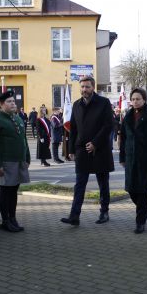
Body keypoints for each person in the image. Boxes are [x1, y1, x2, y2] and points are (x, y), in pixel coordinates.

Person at [61, 76, 113, 226]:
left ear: (93, 87)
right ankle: (74, 215)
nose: (84, 89)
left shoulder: (103, 103)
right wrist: (71, 150)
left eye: (87, 87)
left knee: (103, 183)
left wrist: (95, 143)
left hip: (100, 149)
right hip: (82, 150)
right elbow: (74, 129)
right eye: (82, 87)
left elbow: (108, 125)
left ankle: (104, 212)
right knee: (79, 184)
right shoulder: (76, 105)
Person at [0, 90, 30, 232]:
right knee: (5, 191)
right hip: (5, 162)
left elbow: (24, 140)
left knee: (14, 191)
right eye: (9, 102)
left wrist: (27, 157)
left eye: (13, 101)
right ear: (1, 104)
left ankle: (13, 218)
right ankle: (5, 220)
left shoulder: (17, 118)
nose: (13, 104)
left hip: (18, 161)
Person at [119, 88, 147, 234]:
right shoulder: (128, 116)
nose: (135, 102)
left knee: (143, 191)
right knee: (131, 190)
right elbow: (123, 138)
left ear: (144, 100)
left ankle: (140, 222)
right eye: (133, 99)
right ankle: (144, 207)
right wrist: (122, 157)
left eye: (138, 99)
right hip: (130, 158)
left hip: (146, 158)